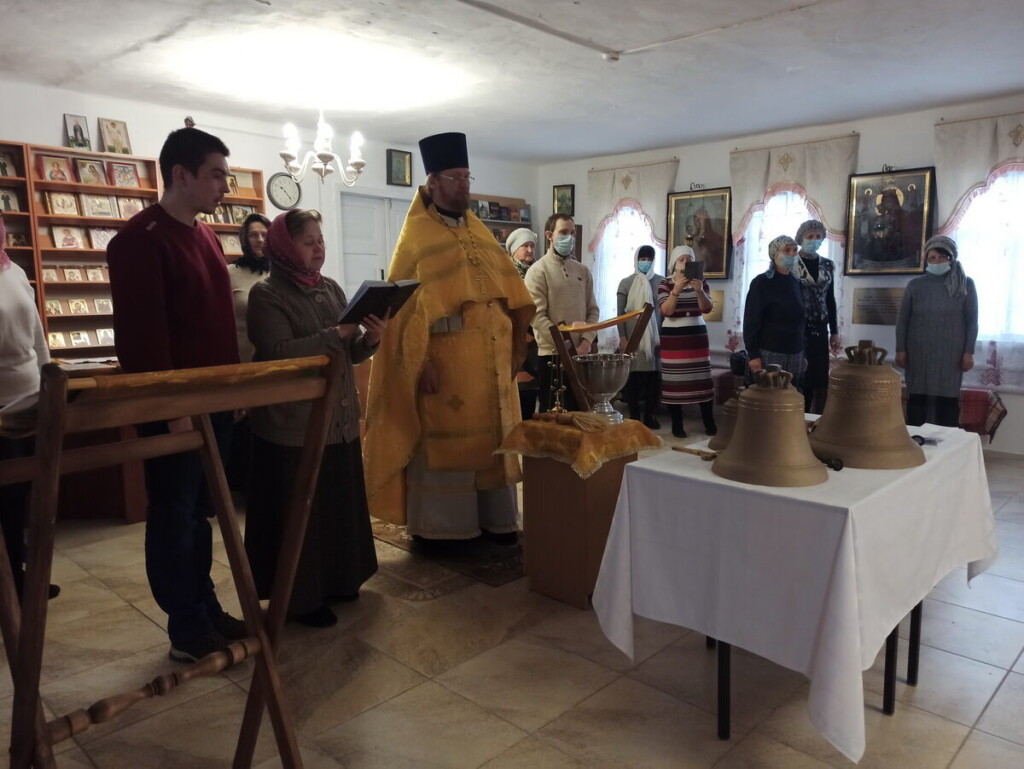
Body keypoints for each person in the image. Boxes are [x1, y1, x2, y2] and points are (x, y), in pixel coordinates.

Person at [107, 127, 245, 663]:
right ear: (181, 174)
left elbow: (216, 326)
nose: (224, 186)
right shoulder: (139, 240)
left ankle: (204, 606)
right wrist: (173, 413)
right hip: (176, 411)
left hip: (214, 404)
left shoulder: (206, 236)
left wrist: (232, 390)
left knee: (202, 514)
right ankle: (185, 626)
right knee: (175, 516)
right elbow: (144, 344)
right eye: (216, 175)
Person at [363, 132, 535, 546]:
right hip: (446, 363)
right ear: (433, 182)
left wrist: (516, 332)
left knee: (493, 441)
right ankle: (443, 529)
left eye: (467, 177)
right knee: (448, 444)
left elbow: (509, 293)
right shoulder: (417, 238)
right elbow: (404, 314)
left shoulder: (480, 232)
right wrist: (419, 364)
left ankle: (495, 520)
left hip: (491, 366)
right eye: (455, 177)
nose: (463, 186)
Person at [245, 210, 386, 627]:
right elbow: (279, 354)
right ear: (285, 247)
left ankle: (341, 581)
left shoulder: (330, 288)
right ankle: (302, 599)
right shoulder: (266, 295)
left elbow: (349, 352)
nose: (319, 248)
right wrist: (337, 334)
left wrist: (370, 339)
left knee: (337, 506)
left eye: (320, 240)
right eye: (308, 242)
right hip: (295, 425)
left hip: (338, 418)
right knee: (301, 516)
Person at [0, 215, 60, 601]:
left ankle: (20, 572)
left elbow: (37, 337)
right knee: (5, 492)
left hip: (30, 397)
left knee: (24, 491)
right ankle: (9, 583)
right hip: (1, 405)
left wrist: (49, 385)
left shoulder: (16, 271)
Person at [895, 235, 978, 427]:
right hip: (919, 354)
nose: (937, 261)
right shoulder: (915, 285)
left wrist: (969, 352)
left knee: (947, 403)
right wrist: (900, 349)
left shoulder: (965, 284)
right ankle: (916, 441)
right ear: (926, 260)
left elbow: (972, 322)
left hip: (951, 356)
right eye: (932, 258)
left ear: (951, 258)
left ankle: (946, 442)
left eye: (941, 257)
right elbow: (903, 320)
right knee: (918, 400)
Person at [524, 213, 599, 412]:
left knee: (582, 414)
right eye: (564, 232)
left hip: (581, 355)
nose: (569, 237)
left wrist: (586, 342)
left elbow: (593, 311)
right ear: (550, 235)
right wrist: (565, 346)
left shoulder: (583, 271)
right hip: (553, 356)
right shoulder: (537, 271)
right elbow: (537, 316)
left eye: (572, 233)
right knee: (554, 418)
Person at [659, 246, 716, 437]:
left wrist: (699, 291)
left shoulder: (701, 281)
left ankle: (709, 421)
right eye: (681, 259)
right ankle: (677, 424)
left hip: (696, 336)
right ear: (674, 264)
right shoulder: (665, 283)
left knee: (702, 379)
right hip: (673, 338)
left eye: (689, 259)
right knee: (674, 381)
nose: (685, 263)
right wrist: (676, 290)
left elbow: (707, 309)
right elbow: (666, 311)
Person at [743, 235, 806, 388]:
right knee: (767, 396)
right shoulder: (762, 282)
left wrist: (803, 352)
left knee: (791, 396)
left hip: (795, 352)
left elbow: (801, 321)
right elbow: (751, 320)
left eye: (794, 250)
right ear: (775, 254)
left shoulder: (797, 282)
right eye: (787, 250)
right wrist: (753, 354)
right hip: (769, 352)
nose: (792, 254)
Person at [792, 219, 840, 413]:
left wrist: (834, 331)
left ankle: (818, 420)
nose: (814, 239)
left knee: (819, 379)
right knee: (802, 377)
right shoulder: (791, 263)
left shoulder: (827, 265)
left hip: (820, 328)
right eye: (810, 236)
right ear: (801, 238)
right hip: (798, 328)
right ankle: (799, 419)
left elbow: (830, 299)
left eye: (818, 236)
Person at [616, 244, 663, 428]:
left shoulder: (661, 282)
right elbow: (620, 314)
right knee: (633, 379)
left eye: (649, 259)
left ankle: (650, 416)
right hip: (632, 338)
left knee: (653, 379)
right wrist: (622, 337)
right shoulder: (626, 283)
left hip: (654, 339)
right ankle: (634, 415)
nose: (645, 262)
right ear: (636, 260)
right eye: (642, 259)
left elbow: (664, 313)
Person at [506, 227, 541, 419]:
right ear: (514, 250)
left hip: (539, 338)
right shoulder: (506, 276)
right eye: (524, 246)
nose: (529, 250)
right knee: (521, 395)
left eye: (532, 246)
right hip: (517, 339)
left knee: (537, 392)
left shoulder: (539, 272)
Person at [229, 213, 271, 363]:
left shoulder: (281, 272)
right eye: (253, 235)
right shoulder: (229, 272)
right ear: (244, 239)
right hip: (242, 358)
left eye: (264, 235)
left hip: (275, 358)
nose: (260, 239)